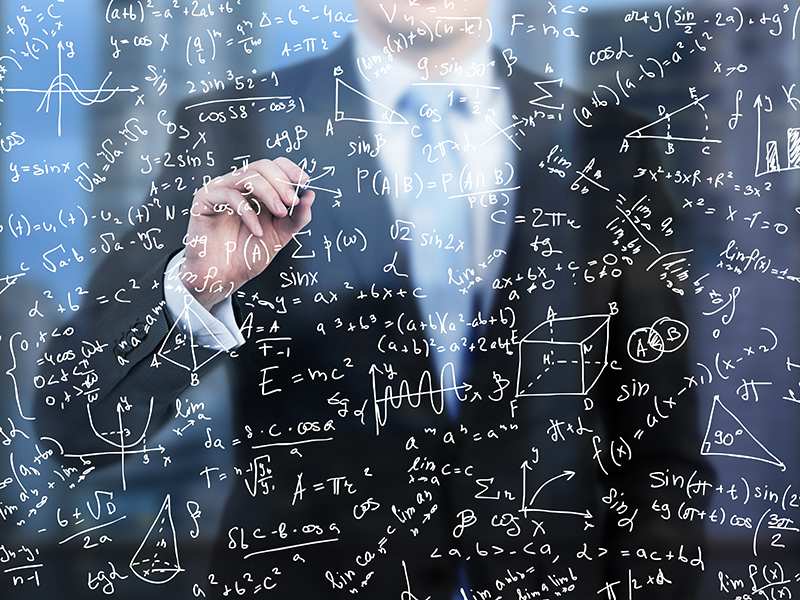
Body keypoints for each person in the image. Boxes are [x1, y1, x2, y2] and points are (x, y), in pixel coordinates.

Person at [36, 1, 711, 597]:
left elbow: (659, 443)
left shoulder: (609, 144)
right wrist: (196, 290)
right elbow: (74, 428)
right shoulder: (233, 128)